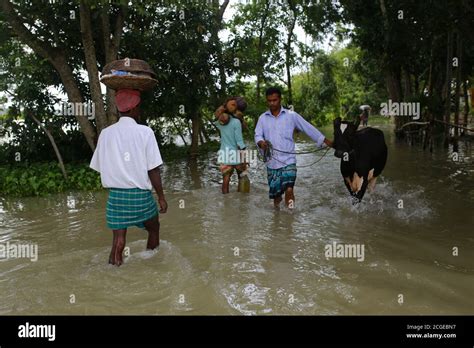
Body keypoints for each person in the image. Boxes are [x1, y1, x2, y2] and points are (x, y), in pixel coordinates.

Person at [90, 89, 168, 266]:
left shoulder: (106, 133)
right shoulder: (145, 132)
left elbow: (100, 166)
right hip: (140, 197)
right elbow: (153, 170)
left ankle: (113, 272)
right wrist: (161, 197)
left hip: (116, 198)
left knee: (118, 241)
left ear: (119, 110)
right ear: (135, 108)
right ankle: (152, 261)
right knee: (154, 228)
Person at [255, 87, 333, 208]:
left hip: (288, 160)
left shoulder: (291, 116)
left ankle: (290, 213)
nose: (272, 103)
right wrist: (261, 142)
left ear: (280, 99)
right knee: (276, 196)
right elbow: (258, 134)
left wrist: (324, 140)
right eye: (269, 101)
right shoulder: (262, 118)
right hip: (272, 162)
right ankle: (277, 217)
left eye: (274, 100)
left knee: (289, 189)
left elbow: (307, 127)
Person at [214, 97, 247, 194]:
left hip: (224, 154)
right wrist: (244, 158)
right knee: (242, 177)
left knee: (226, 180)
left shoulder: (219, 123)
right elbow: (239, 141)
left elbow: (217, 116)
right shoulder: (236, 122)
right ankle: (242, 201)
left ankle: (226, 203)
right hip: (235, 154)